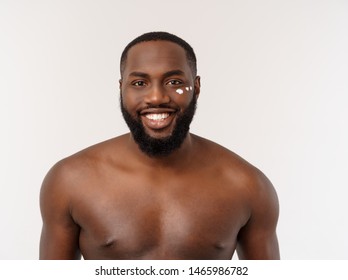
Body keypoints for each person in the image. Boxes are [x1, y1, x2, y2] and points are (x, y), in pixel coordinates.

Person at [39, 31, 280, 260]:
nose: (156, 98)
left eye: (174, 81)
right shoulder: (70, 180)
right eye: (139, 83)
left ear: (195, 87)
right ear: (121, 88)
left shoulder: (248, 186)